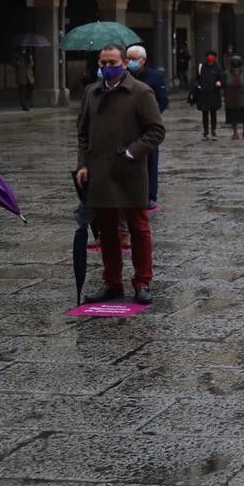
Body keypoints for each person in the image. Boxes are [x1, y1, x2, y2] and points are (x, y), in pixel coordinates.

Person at [76, 43, 165, 305]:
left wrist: (131, 153)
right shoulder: (91, 92)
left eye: (112, 62)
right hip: (100, 171)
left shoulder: (140, 92)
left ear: (125, 63)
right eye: (102, 63)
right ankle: (112, 281)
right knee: (107, 229)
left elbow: (156, 131)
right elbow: (82, 132)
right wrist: (83, 164)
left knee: (138, 228)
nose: (106, 67)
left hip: (129, 170)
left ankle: (142, 281)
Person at [125, 45, 169, 211]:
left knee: (150, 161)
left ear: (143, 60)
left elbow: (163, 101)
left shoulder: (155, 77)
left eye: (134, 59)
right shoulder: (123, 75)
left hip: (147, 127)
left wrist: (151, 118)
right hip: (128, 127)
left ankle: (150, 196)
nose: (130, 62)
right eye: (128, 58)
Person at [194, 49, 224, 139]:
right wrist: (198, 86)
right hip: (203, 93)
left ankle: (213, 130)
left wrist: (219, 82)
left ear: (214, 57)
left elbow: (221, 78)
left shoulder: (218, 67)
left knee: (213, 113)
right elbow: (197, 79)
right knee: (205, 113)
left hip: (214, 93)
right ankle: (206, 131)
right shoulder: (201, 67)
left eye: (212, 55)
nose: (210, 57)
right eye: (208, 55)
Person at [223, 55, 244, 140]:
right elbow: (224, 84)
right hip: (231, 98)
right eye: (234, 62)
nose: (235, 63)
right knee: (233, 116)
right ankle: (235, 132)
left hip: (243, 98)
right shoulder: (227, 73)